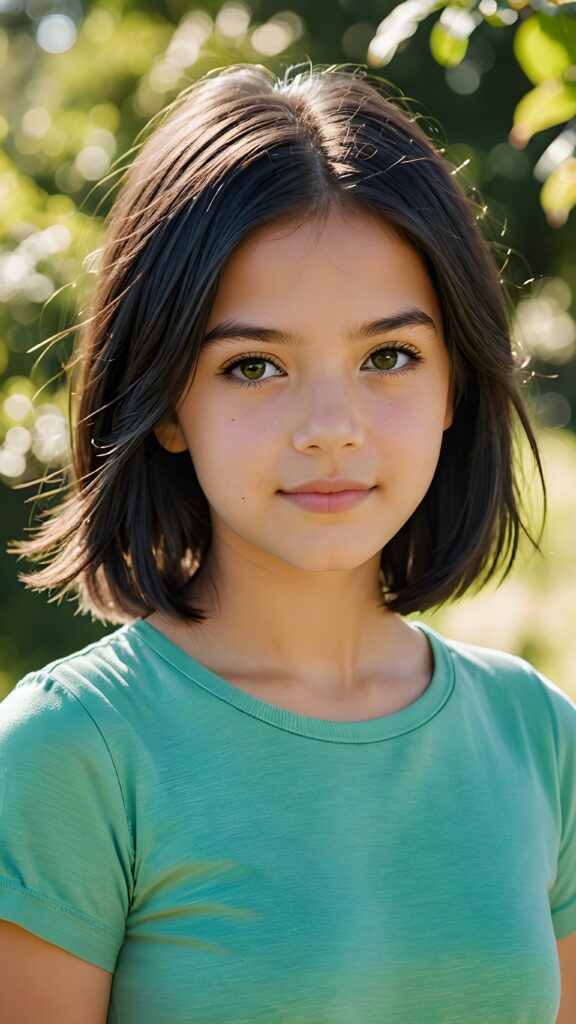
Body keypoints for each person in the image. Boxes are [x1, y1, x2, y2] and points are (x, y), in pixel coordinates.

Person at [0, 62, 574, 1024]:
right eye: (254, 365)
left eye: (387, 356)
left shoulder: (541, 741)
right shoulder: (71, 755)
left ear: (454, 384)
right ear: (167, 401)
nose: (330, 426)